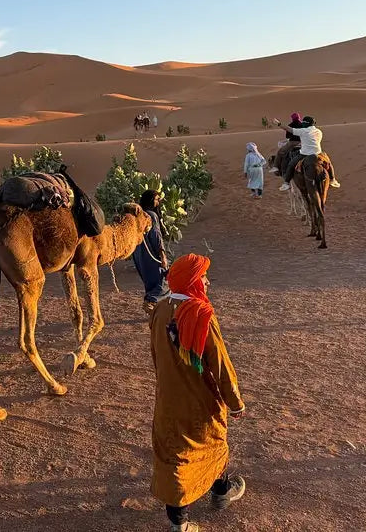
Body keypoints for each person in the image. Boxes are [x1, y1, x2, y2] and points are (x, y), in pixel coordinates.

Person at [150, 254, 246, 532]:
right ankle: (221, 492)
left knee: (174, 456)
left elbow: (156, 352)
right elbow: (220, 363)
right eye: (203, 277)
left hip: (168, 398)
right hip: (200, 399)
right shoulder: (202, 316)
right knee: (212, 443)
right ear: (192, 281)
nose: (206, 282)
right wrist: (235, 402)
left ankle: (179, 522)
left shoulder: (159, 310)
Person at [275, 116, 342, 191]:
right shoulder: (319, 131)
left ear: (306, 123)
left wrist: (279, 124)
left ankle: (286, 183)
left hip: (305, 153)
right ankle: (333, 179)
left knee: (291, 164)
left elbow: (289, 129)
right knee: (329, 163)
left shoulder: (303, 131)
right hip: (318, 153)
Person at [133, 189, 169, 316]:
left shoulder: (138, 215)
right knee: (164, 279)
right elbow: (156, 236)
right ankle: (151, 300)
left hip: (139, 254)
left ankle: (156, 311)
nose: (158, 202)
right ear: (150, 200)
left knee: (150, 281)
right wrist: (162, 255)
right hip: (151, 254)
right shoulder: (151, 216)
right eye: (156, 199)